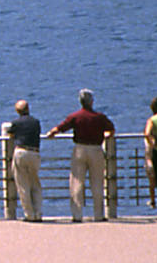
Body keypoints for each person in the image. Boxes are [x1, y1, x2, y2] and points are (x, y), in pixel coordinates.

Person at [47, 89, 114, 222]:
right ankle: (99, 215)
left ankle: (77, 215)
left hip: (80, 150)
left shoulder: (75, 116)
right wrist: (106, 135)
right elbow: (111, 129)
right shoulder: (99, 117)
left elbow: (61, 127)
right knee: (97, 183)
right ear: (92, 102)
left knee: (77, 182)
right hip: (96, 149)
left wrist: (52, 132)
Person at [10, 99, 43, 222]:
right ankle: (39, 213)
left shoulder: (16, 123)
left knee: (23, 185)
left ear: (17, 111)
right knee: (36, 184)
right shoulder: (36, 122)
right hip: (34, 153)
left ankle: (29, 215)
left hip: (21, 152)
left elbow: (11, 134)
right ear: (28, 108)